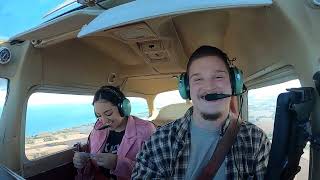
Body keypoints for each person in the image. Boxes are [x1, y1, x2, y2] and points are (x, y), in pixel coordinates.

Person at [132, 46, 271, 179]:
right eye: (198, 79)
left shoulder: (255, 140)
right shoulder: (159, 142)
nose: (209, 87)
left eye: (218, 77)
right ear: (187, 90)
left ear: (234, 84)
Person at [73, 86, 156, 180]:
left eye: (108, 113)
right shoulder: (98, 128)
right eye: (99, 115)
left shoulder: (146, 129)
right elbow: (92, 152)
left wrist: (118, 163)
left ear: (123, 108)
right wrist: (83, 158)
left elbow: (155, 171)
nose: (103, 121)